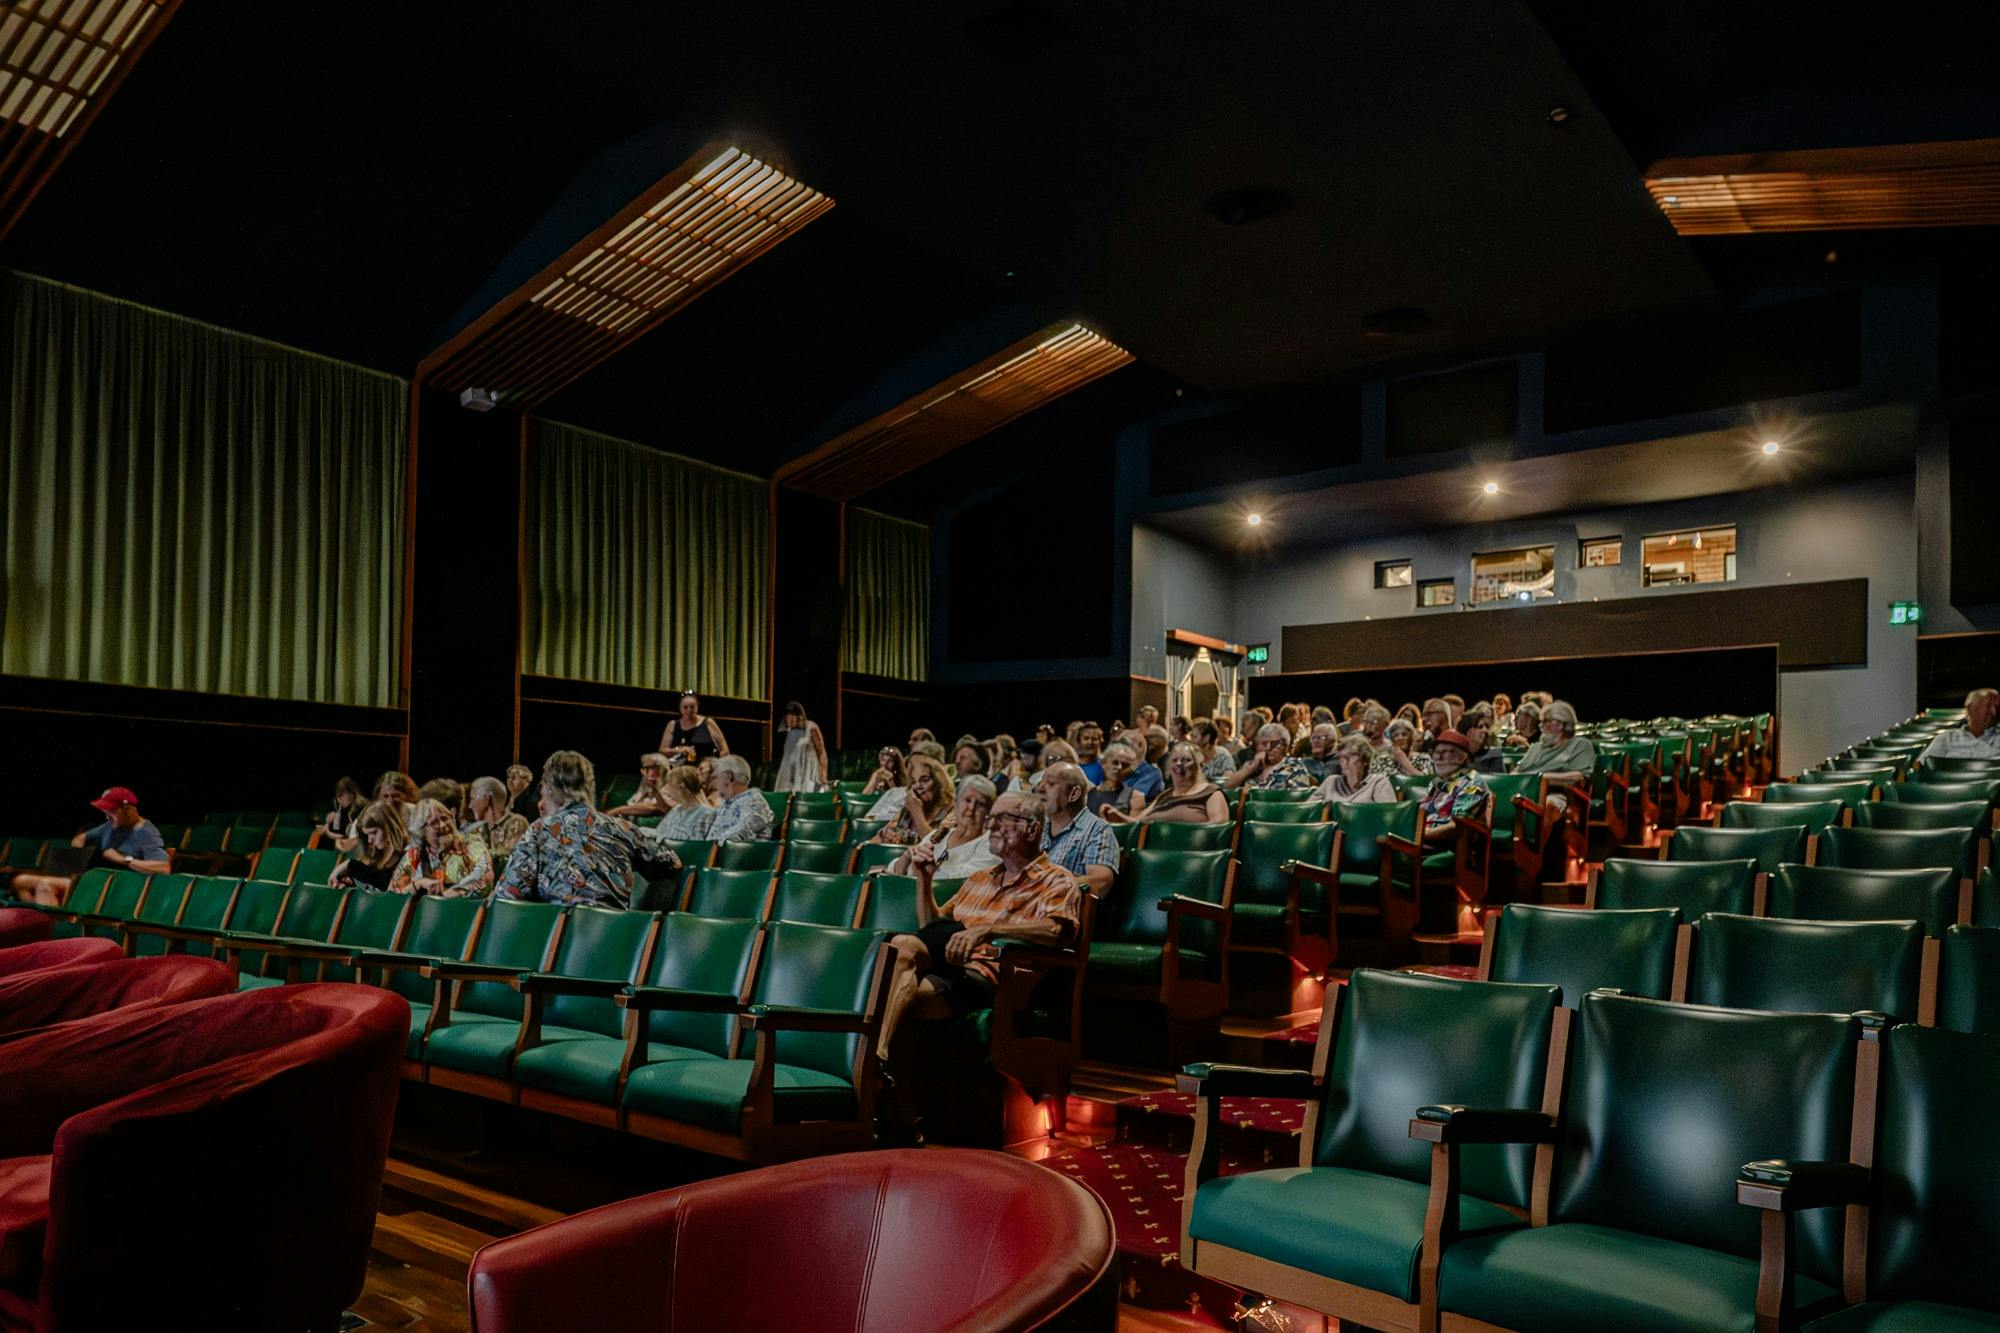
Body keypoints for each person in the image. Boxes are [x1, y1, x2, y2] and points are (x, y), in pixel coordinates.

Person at [874, 790, 1083, 1140]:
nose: (993, 827)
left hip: (990, 980)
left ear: (1032, 830)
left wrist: (989, 930)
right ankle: (893, 1093)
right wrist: (924, 879)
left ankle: (879, 1077)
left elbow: (1057, 931)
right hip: (947, 967)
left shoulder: (1056, 880)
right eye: (993, 819)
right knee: (905, 950)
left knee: (895, 971)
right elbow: (935, 927)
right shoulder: (981, 879)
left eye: (1003, 819)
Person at [495, 751, 669, 908]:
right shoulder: (622, 828)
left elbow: (507, 896)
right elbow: (671, 864)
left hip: (558, 937)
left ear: (550, 790)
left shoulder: (539, 831)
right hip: (618, 937)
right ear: (589, 787)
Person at [9, 786, 172, 905]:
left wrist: (125, 859)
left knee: (45, 885)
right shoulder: (111, 825)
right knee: (19, 881)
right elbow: (81, 837)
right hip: (92, 880)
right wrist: (78, 855)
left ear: (127, 810)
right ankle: (44, 927)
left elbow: (164, 868)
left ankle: (52, 935)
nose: (108, 816)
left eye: (112, 811)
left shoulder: (146, 833)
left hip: (117, 888)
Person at [889, 775, 1000, 883]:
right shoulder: (940, 835)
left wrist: (930, 871)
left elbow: (968, 881)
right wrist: (907, 857)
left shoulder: (992, 844)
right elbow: (895, 873)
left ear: (989, 811)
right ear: (956, 804)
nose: (971, 808)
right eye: (967, 800)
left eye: (980, 804)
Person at [1038, 761, 1120, 896]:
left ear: (1074, 794)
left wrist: (1045, 887)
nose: (1040, 788)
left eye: (1050, 783)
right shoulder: (1038, 827)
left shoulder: (1097, 829)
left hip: (1059, 911)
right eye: (1041, 783)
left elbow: (1100, 883)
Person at [389, 798, 494, 897]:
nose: (442, 825)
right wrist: (418, 884)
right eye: (433, 823)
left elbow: (484, 880)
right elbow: (392, 895)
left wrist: (446, 896)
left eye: (445, 818)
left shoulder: (471, 844)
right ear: (421, 831)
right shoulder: (414, 855)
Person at [1514, 700, 1596, 811]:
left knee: (1547, 804)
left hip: (1556, 794)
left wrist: (1540, 779)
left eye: (1546, 721)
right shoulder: (1536, 747)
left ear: (1561, 724)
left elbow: (1579, 776)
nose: (1541, 726)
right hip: (1522, 791)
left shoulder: (1580, 744)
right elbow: (1517, 772)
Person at [1416, 731, 1490, 844]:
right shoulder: (1436, 782)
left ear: (1463, 757)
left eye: (1446, 752)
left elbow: (1457, 825)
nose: (1438, 757)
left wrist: (1420, 835)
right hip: (1423, 838)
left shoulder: (1471, 782)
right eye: (1436, 752)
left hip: (1449, 843)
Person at [1130, 743, 1230, 824]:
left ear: (1199, 766)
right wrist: (1115, 813)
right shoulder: (1165, 795)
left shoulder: (1211, 793)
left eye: (1186, 760)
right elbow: (1136, 822)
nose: (1179, 764)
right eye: (1175, 760)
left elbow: (1219, 828)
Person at [873, 754, 953, 845]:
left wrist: (917, 814)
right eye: (913, 782)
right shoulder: (908, 808)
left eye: (925, 780)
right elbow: (878, 838)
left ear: (940, 782)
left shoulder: (954, 810)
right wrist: (886, 835)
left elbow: (940, 848)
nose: (918, 786)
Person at [332, 800, 410, 891]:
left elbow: (387, 886)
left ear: (389, 829)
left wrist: (350, 866)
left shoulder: (409, 854)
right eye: (367, 835)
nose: (370, 839)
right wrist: (349, 878)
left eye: (373, 833)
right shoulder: (374, 856)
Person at [1220, 722, 1318, 791]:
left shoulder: (1294, 767)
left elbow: (1295, 802)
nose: (1268, 748)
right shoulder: (1251, 767)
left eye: (1274, 744)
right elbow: (1226, 788)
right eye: (1263, 743)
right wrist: (1249, 769)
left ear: (1285, 747)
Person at [705, 755, 775, 844]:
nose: (713, 784)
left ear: (728, 777)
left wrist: (708, 849)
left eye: (715, 777)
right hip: (714, 855)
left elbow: (737, 838)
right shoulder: (725, 805)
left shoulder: (754, 802)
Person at [1315, 735, 1397, 805]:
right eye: (1341, 757)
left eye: (1350, 756)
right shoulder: (1331, 782)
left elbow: (1389, 815)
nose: (1344, 761)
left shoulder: (1378, 783)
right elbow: (1309, 810)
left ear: (1364, 760)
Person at [1923, 688, 2000, 759]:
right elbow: (1919, 767)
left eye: (1997, 707)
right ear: (1970, 708)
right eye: (1988, 706)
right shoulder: (1946, 738)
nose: (1994, 712)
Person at [464, 777, 530, 859]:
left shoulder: (517, 823)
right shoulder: (476, 829)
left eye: (473, 799)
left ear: (486, 798)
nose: (470, 806)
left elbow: (505, 860)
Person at [774, 700, 829, 792]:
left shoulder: (811, 727)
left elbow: (822, 752)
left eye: (793, 715)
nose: (790, 719)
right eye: (788, 716)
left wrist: (823, 775)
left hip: (808, 773)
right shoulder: (790, 732)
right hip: (791, 773)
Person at [662, 691, 729, 766]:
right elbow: (663, 750)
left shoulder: (708, 722)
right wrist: (679, 750)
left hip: (706, 767)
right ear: (680, 708)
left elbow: (724, 750)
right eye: (685, 707)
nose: (689, 710)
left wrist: (717, 765)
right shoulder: (673, 725)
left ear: (697, 706)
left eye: (692, 707)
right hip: (681, 768)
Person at [1089, 741, 1149, 819]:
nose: (1119, 768)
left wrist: (1118, 816)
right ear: (1104, 763)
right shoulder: (1089, 793)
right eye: (1115, 763)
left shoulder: (1135, 797)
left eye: (1125, 765)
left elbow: (1135, 828)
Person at [654, 765, 716, 839]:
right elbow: (658, 833)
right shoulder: (676, 809)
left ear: (680, 786)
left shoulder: (707, 814)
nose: (666, 789)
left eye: (669, 784)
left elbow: (698, 845)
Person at [606, 754, 673, 817]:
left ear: (662, 768)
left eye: (650, 768)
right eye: (644, 768)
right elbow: (636, 800)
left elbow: (653, 807)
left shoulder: (672, 783)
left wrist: (616, 811)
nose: (645, 772)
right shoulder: (647, 778)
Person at [374, 770, 422, 838]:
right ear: (378, 797)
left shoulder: (419, 813)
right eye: (385, 796)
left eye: (395, 796)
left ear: (405, 796)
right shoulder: (369, 815)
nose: (390, 801)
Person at [320, 777, 364, 851]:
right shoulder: (344, 811)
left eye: (341, 795)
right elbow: (341, 834)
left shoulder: (361, 809)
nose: (339, 799)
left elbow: (354, 839)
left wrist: (326, 830)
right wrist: (328, 823)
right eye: (337, 796)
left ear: (353, 793)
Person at [1461, 707, 1509, 775]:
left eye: (1486, 726)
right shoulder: (1456, 755)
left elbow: (1500, 782)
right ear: (1468, 731)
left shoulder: (1494, 754)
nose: (1485, 730)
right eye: (1480, 727)